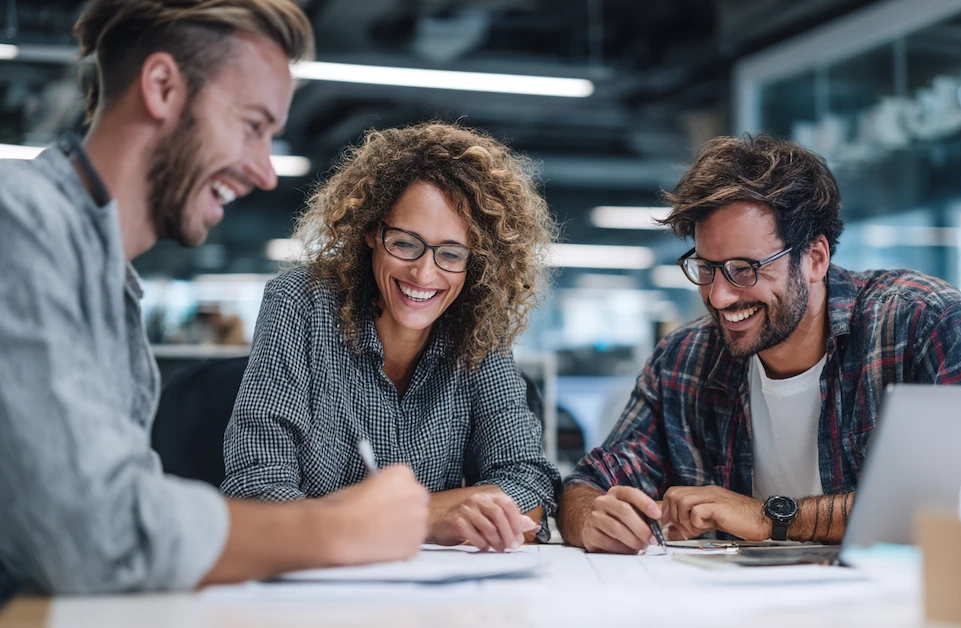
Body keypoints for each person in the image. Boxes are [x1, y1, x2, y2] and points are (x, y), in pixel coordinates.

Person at [0, 0, 429, 604]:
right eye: (252, 125)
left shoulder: (102, 275)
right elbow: (96, 535)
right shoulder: (20, 224)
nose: (264, 172)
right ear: (162, 87)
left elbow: (122, 510)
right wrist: (339, 527)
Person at [557, 134, 961, 554]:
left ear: (815, 258)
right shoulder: (685, 358)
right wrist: (593, 518)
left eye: (744, 269)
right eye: (706, 268)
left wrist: (771, 517)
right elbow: (586, 484)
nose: (719, 296)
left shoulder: (922, 323)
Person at [221, 122, 562, 551]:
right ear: (371, 232)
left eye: (451, 254)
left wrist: (409, 516)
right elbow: (257, 487)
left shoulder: (477, 329)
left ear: (475, 263)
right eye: (405, 244)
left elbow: (530, 484)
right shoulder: (301, 303)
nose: (423, 273)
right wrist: (421, 517)